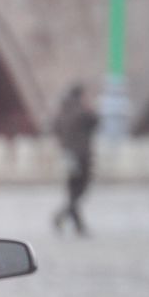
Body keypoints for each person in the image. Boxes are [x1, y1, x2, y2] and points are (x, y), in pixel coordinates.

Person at [51, 83, 99, 237]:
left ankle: (76, 224)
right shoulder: (82, 111)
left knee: (73, 188)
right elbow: (95, 122)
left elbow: (54, 128)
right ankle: (62, 216)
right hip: (81, 155)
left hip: (68, 155)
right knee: (81, 188)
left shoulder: (63, 110)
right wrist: (90, 107)